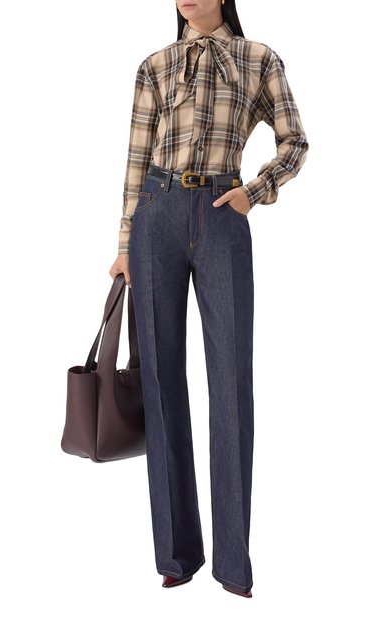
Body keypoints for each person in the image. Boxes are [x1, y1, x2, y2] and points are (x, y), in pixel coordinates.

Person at [109, 0, 309, 598]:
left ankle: (233, 564)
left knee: (231, 383)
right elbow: (135, 161)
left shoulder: (258, 59)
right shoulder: (155, 65)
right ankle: (177, 552)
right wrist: (124, 243)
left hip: (223, 214)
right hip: (157, 215)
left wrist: (257, 190)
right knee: (160, 383)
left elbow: (295, 141)